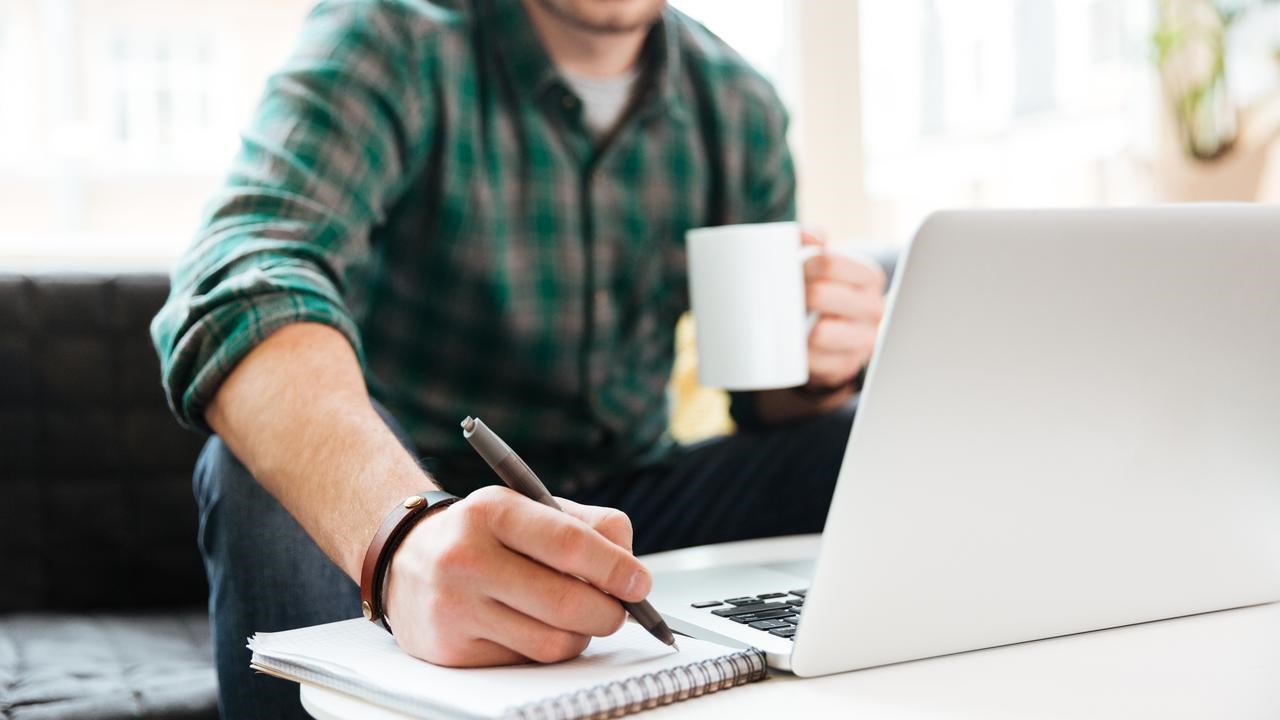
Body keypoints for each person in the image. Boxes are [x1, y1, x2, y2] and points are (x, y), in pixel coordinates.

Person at [151, 0, 887, 715]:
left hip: (631, 513)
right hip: (419, 499)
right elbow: (241, 274)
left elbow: (765, 404)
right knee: (254, 467)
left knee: (861, 441)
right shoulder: (391, 34)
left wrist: (818, 365)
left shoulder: (737, 102)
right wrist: (402, 531)